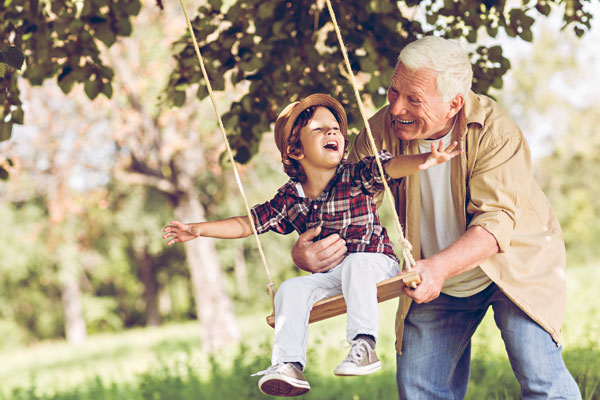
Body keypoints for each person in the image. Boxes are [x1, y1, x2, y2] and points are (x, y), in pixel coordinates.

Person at [291, 37, 581, 399]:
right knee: (419, 389)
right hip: (433, 275)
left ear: (454, 104)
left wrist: (440, 267)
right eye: (393, 91)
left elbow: (495, 223)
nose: (396, 108)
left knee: (541, 377)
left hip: (513, 264)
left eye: (413, 99)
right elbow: (342, 202)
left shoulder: (495, 131)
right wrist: (309, 252)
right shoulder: (381, 133)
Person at [162, 93, 461, 397]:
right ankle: (288, 364)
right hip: (334, 276)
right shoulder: (289, 197)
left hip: (374, 264)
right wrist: (198, 229)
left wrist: (426, 160)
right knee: (291, 289)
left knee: (357, 265)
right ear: (295, 150)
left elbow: (393, 167)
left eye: (335, 129)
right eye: (319, 129)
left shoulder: (356, 174)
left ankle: (364, 345)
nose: (332, 133)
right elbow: (248, 223)